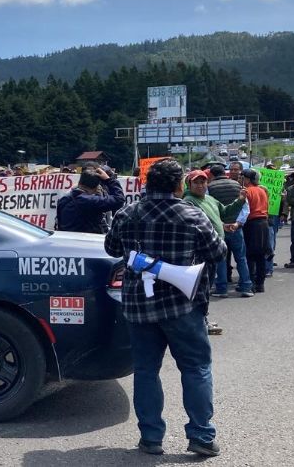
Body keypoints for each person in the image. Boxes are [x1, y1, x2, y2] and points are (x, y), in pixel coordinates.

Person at [105, 159, 226, 458]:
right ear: (178, 185)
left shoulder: (127, 213)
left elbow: (110, 248)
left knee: (146, 371)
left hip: (138, 306)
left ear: (148, 183)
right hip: (182, 305)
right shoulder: (192, 214)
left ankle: (150, 437)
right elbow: (218, 252)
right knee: (196, 368)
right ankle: (201, 435)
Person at [185, 170, 247, 305]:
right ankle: (202, 319)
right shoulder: (189, 202)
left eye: (203, 182)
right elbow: (198, 224)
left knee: (207, 284)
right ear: (189, 185)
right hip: (204, 250)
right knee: (201, 287)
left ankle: (204, 317)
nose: (200, 185)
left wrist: (240, 201)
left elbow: (224, 213)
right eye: (196, 182)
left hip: (216, 245)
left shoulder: (210, 199)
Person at [207, 165, 252, 296]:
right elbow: (245, 208)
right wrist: (237, 224)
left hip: (219, 228)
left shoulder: (209, 188)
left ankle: (221, 288)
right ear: (224, 173)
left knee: (221, 259)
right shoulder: (238, 186)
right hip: (236, 228)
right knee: (241, 258)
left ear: (211, 175)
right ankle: (246, 287)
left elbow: (209, 210)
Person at [56, 162, 125, 234]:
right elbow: (119, 200)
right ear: (96, 188)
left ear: (79, 183)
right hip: (87, 242)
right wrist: (109, 180)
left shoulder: (64, 199)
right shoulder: (91, 201)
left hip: (66, 241)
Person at [241, 169, 271, 293]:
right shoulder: (262, 191)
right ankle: (260, 283)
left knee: (250, 255)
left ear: (247, 179)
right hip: (263, 223)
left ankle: (251, 283)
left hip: (251, 224)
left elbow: (244, 211)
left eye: (242, 178)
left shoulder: (246, 192)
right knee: (261, 255)